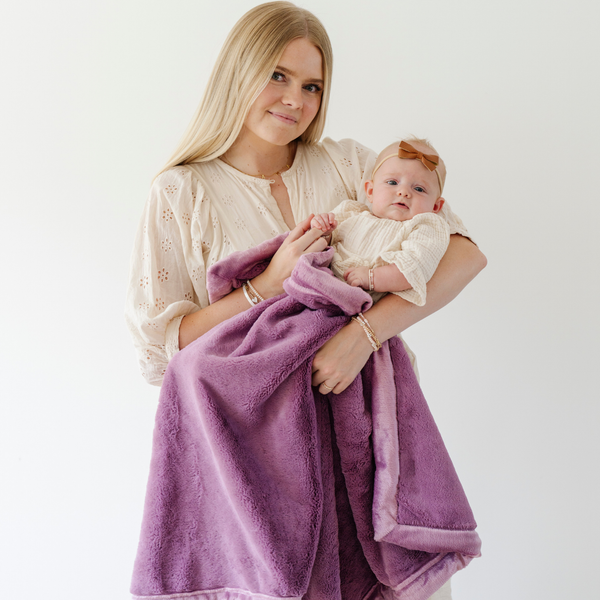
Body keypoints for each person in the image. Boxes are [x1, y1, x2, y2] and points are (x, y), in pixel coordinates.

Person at [125, 2, 486, 598]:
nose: (295, 99)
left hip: (375, 441)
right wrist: (267, 284)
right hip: (264, 470)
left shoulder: (348, 164)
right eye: (277, 75)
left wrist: (360, 337)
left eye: (312, 85)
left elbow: (460, 253)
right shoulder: (180, 191)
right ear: (237, 72)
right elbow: (165, 347)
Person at [310, 138, 450, 309]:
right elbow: (326, 244)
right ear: (370, 191)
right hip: (319, 288)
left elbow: (414, 268)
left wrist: (372, 278)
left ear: (436, 206)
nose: (403, 192)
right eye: (392, 182)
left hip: (359, 307)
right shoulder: (353, 213)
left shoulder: (425, 228)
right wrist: (325, 230)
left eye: (419, 189)